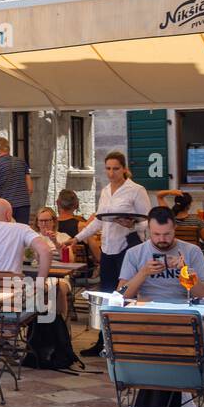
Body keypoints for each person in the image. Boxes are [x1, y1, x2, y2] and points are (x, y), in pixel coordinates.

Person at [73, 150, 152, 356]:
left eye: (115, 168)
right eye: (108, 168)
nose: (111, 173)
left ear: (124, 169)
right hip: (108, 248)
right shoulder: (106, 190)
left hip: (129, 247)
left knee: (126, 294)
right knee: (106, 295)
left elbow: (147, 221)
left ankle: (126, 341)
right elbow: (99, 219)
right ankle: (103, 341)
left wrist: (132, 223)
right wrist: (78, 238)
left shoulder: (136, 190)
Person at [120, 207, 204, 302]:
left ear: (175, 228)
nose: (162, 239)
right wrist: (143, 273)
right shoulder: (134, 253)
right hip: (147, 311)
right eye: (156, 234)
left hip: (183, 310)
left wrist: (185, 272)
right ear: (148, 229)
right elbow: (121, 295)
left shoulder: (192, 251)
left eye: (167, 234)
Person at [0, 137, 33, 225]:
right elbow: (30, 188)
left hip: (5, 205)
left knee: (7, 233)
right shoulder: (21, 162)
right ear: (8, 148)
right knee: (21, 232)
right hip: (23, 204)